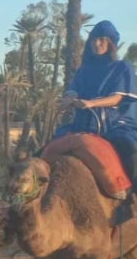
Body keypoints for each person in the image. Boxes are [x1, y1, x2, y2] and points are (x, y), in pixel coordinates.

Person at [56, 19, 137, 177]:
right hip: (82, 125)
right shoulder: (83, 70)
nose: (97, 43)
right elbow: (74, 90)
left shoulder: (122, 68)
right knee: (47, 149)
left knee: (130, 152)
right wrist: (68, 100)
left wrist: (91, 103)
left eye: (102, 40)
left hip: (116, 125)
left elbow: (118, 98)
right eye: (93, 39)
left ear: (111, 43)